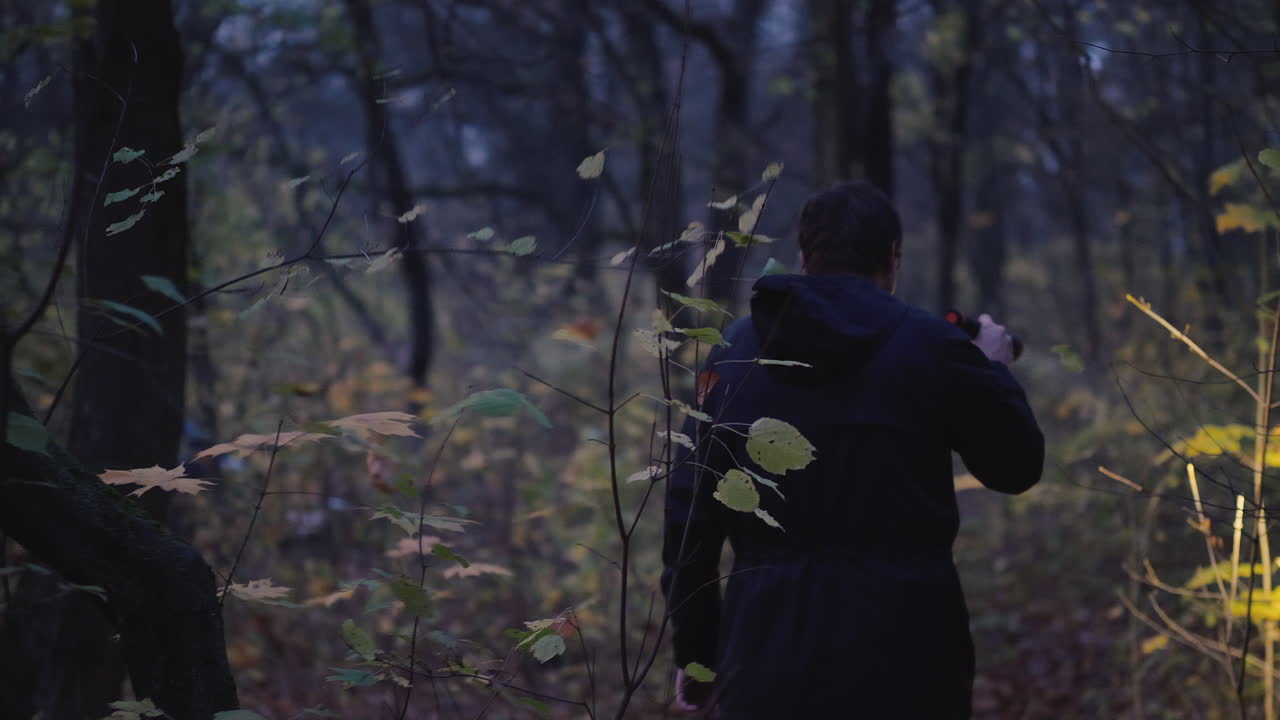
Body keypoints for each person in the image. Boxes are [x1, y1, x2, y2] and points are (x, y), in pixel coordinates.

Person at [660, 181, 1044, 718]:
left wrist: (697, 653)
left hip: (768, 653)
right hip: (910, 655)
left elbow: (689, 516)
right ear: (893, 259)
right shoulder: (933, 348)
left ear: (803, 257)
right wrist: (992, 370)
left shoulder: (733, 359)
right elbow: (1016, 466)